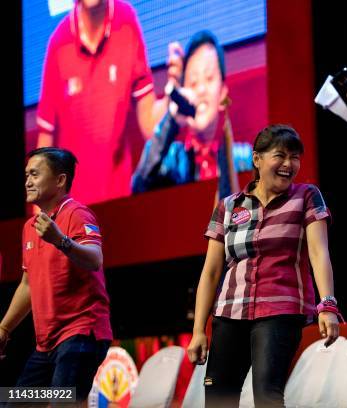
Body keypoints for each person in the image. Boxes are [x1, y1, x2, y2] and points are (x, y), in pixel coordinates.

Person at [186, 124, 341, 407]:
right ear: (257, 159)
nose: (288, 164)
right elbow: (210, 272)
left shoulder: (306, 196)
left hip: (280, 311)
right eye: (280, 155)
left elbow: (319, 253)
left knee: (267, 396)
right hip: (229, 313)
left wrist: (327, 305)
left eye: (295, 157)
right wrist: (198, 330)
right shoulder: (229, 206)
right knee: (219, 399)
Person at [0, 147, 112, 401]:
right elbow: (28, 285)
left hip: (81, 333)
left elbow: (95, 259)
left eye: (35, 174)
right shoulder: (30, 227)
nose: (27, 181)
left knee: (63, 401)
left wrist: (60, 240)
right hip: (46, 345)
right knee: (14, 402)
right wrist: (4, 328)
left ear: (60, 180)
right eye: (26, 175)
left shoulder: (77, 213)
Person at [36, 0, 168, 204]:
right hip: (70, 211)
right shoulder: (58, 43)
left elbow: (149, 126)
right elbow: (45, 140)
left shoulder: (127, 21)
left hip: (120, 204)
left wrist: (172, 93)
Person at [131, 29, 239, 199]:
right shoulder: (172, 160)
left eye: (209, 78)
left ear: (223, 93)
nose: (201, 90)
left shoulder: (244, 159)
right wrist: (171, 121)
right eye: (193, 82)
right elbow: (138, 185)